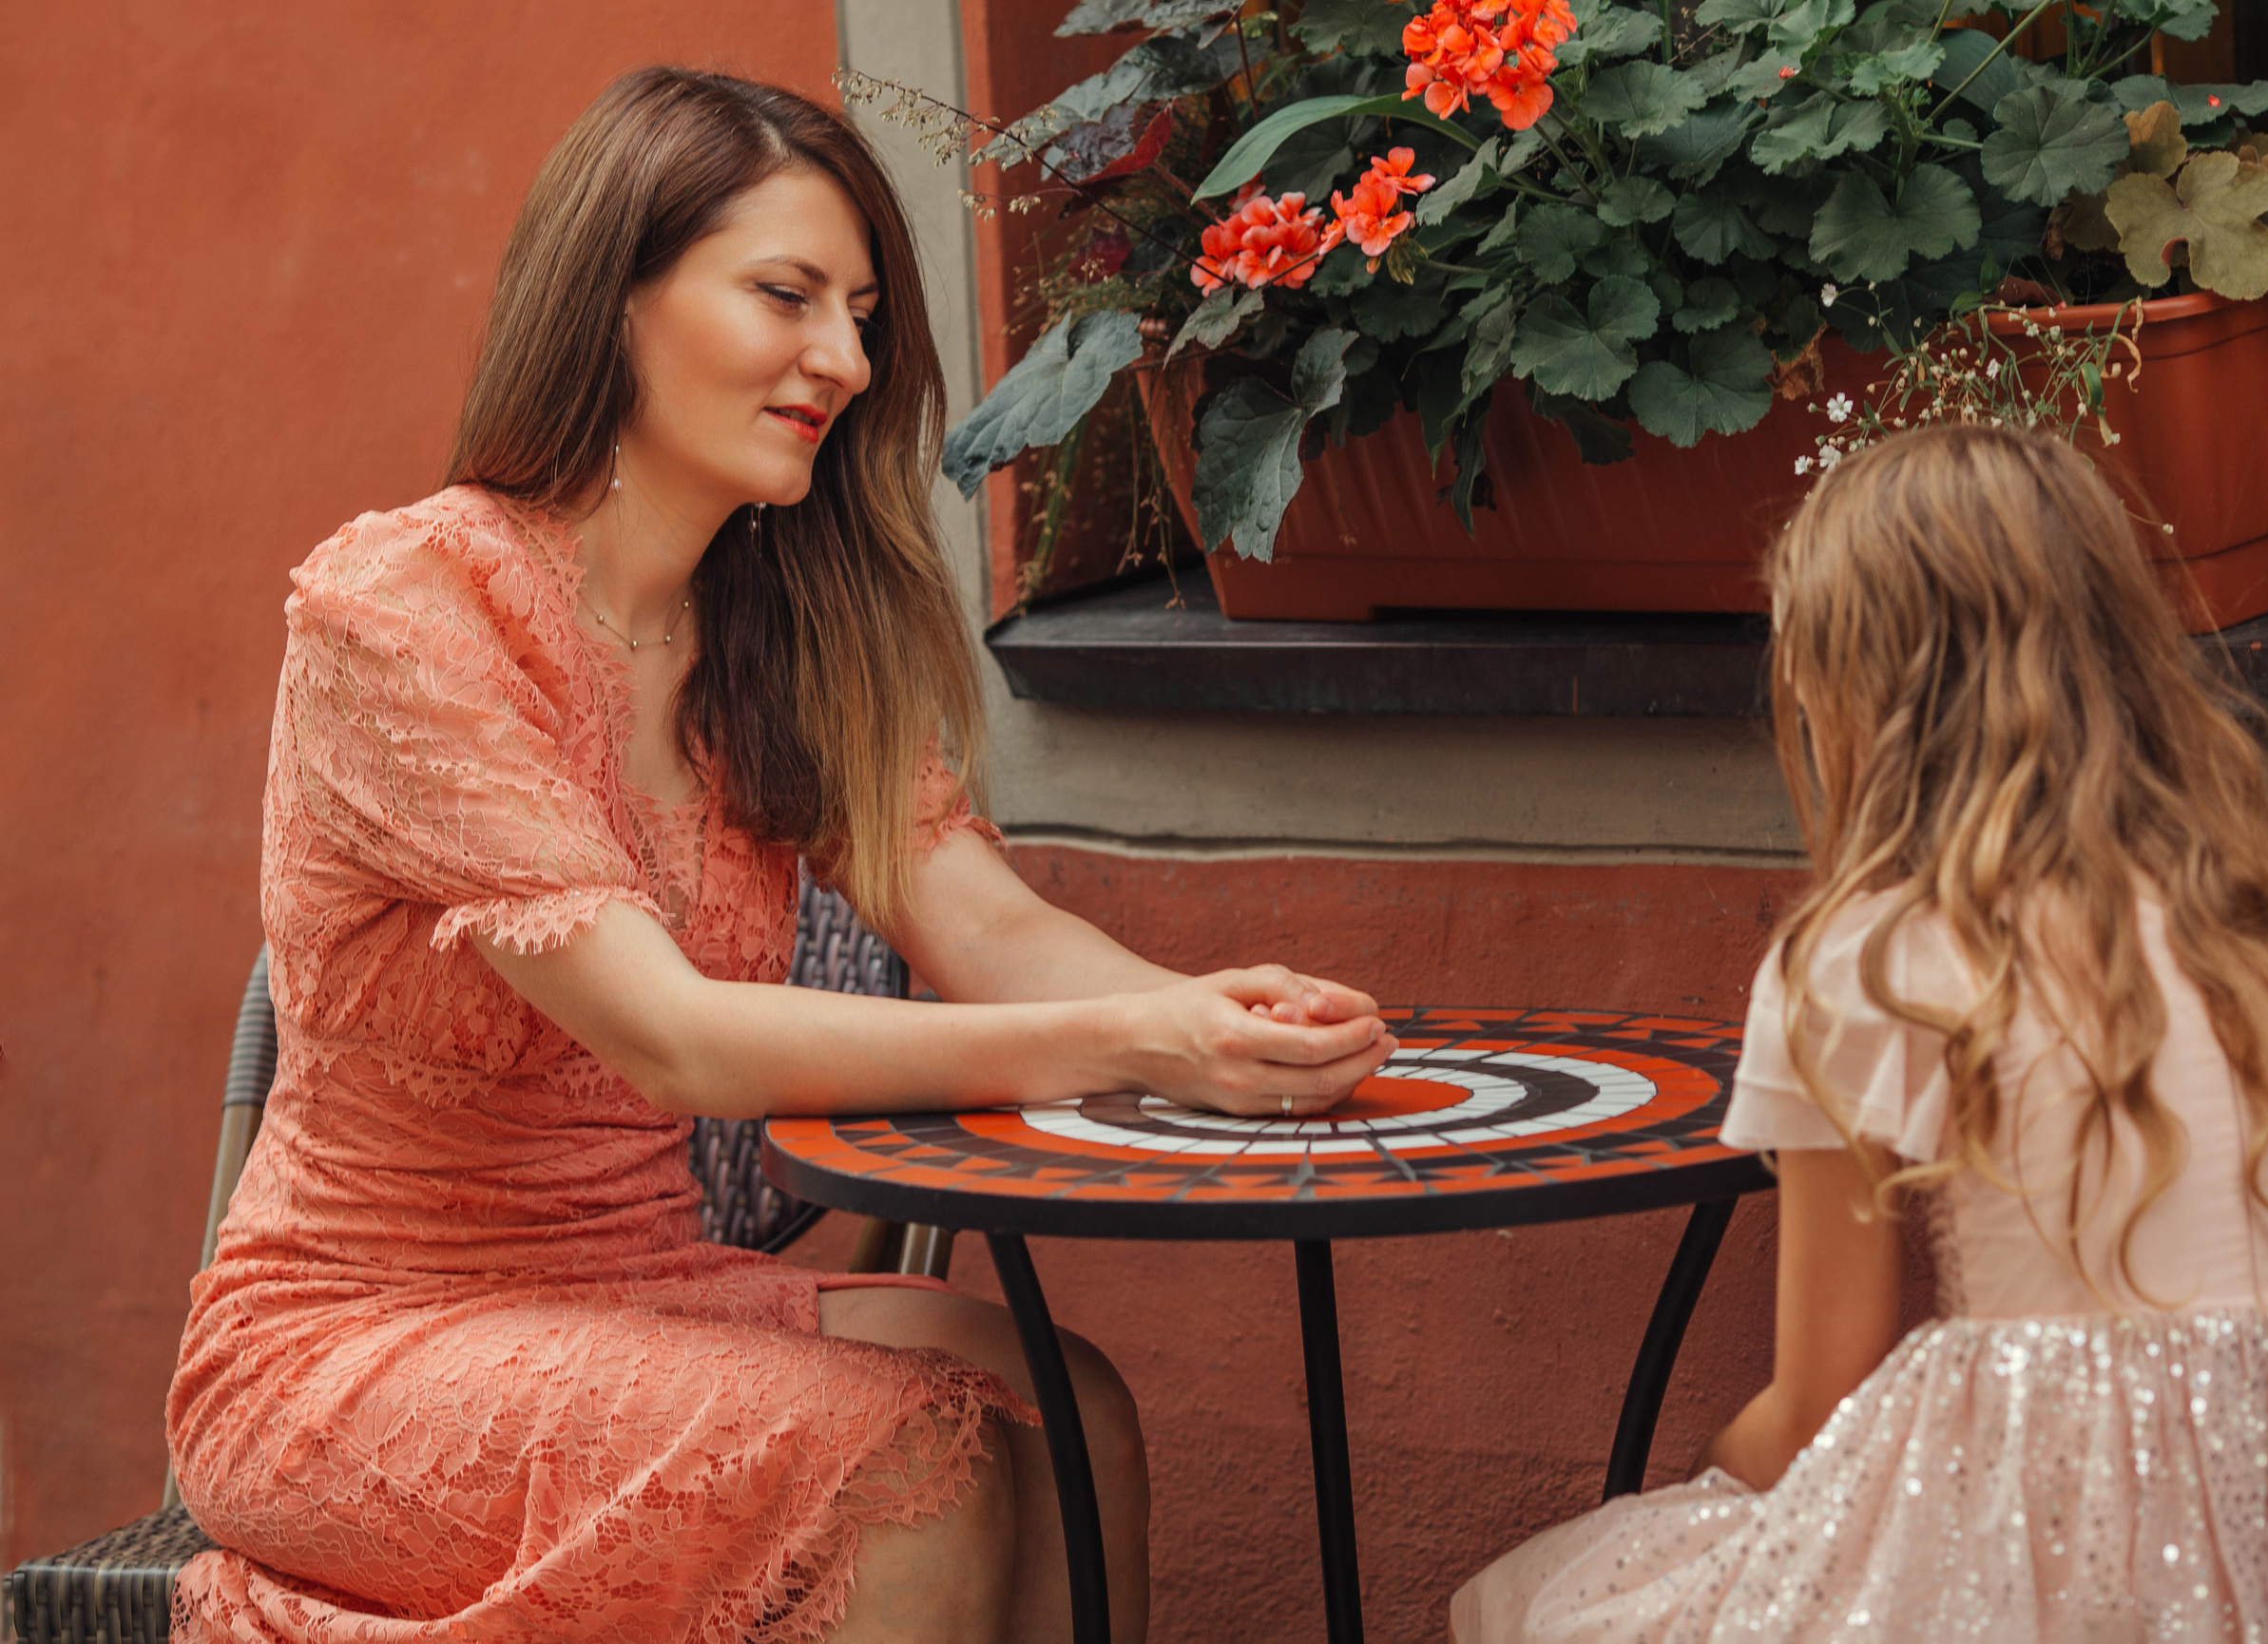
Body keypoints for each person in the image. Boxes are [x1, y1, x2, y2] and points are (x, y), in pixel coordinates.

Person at [167, 67, 1394, 1644]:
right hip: (357, 1340)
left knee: (1068, 1415)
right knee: (907, 1458)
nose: (845, 359)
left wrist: (1215, 1013)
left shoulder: (779, 633)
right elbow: (674, 1036)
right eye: (786, 296)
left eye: (865, 313)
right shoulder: (411, 608)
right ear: (615, 297)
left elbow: (995, 935)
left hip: (637, 1282)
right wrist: (1130, 1041)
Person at [1453, 425, 2268, 1641]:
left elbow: (1817, 1402)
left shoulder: (1873, 961)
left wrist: (1694, 1480)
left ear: (1858, 687)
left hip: (2012, 1576)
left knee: (1539, 1600)